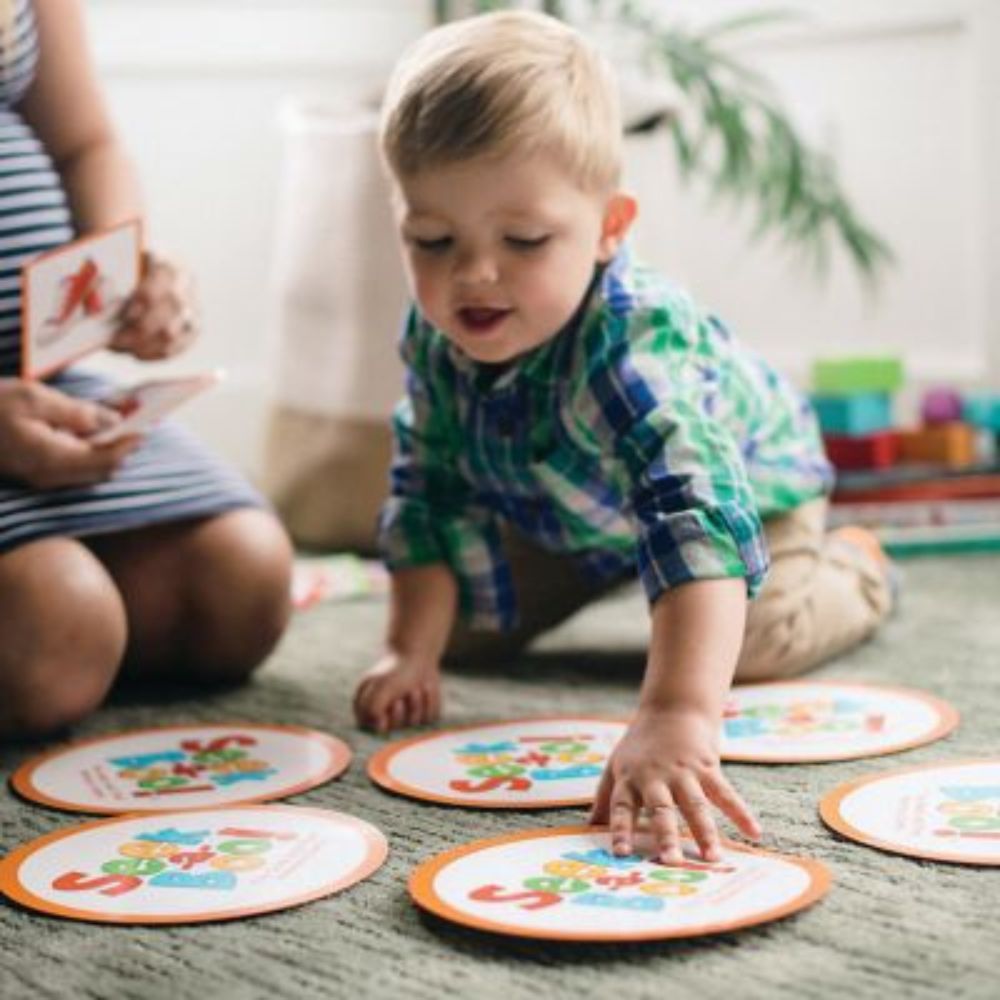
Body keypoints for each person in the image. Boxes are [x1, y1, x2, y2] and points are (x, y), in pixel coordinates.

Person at [353, 10, 894, 862]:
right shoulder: (434, 337)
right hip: (571, 515)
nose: (474, 274)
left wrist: (677, 715)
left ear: (610, 227)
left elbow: (694, 517)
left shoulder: (639, 348)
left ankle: (856, 568)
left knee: (752, 646)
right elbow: (426, 489)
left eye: (523, 239)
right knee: (457, 628)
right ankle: (623, 587)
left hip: (751, 495)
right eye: (432, 239)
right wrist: (405, 651)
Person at [0, 0, 293, 738]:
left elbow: (85, 144)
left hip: (44, 385)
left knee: (242, 584)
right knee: (58, 630)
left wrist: (122, 271)